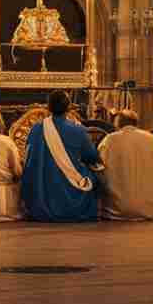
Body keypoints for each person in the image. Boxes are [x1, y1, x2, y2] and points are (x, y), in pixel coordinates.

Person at [20, 90, 103, 222]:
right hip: (72, 195)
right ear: (69, 107)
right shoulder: (78, 130)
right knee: (95, 175)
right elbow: (92, 158)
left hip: (40, 197)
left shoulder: (36, 129)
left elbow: (29, 161)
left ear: (48, 107)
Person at [100, 110, 153, 220]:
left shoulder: (109, 139)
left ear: (117, 124)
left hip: (119, 209)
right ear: (136, 123)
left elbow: (100, 170)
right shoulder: (151, 138)